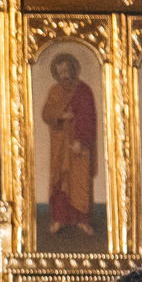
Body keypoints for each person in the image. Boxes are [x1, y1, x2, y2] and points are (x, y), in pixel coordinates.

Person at [40, 52, 98, 235]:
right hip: (60, 145)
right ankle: (59, 219)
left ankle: (82, 221)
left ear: (73, 70)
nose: (64, 74)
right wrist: (61, 115)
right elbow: (46, 114)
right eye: (60, 71)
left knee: (80, 182)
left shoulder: (83, 90)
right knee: (60, 180)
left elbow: (89, 118)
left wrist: (80, 140)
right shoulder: (54, 91)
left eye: (66, 70)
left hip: (79, 144)